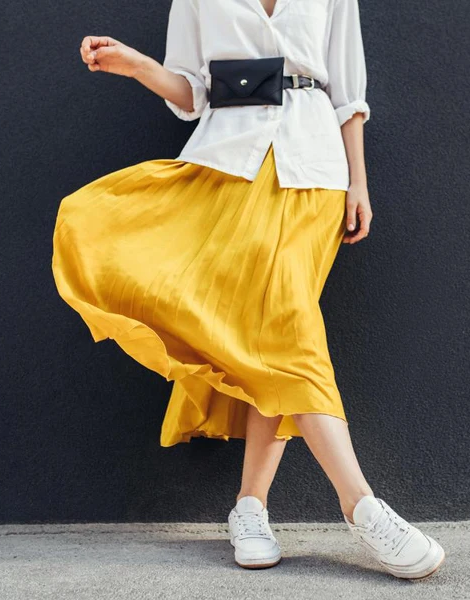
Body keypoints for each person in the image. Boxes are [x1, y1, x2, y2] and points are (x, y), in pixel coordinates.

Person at [51, 0, 445, 580]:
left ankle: (308, 507)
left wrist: (359, 181)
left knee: (281, 325)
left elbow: (347, 90)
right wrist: (138, 66)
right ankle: (308, 506)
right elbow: (191, 93)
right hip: (226, 166)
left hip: (313, 171)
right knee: (274, 334)